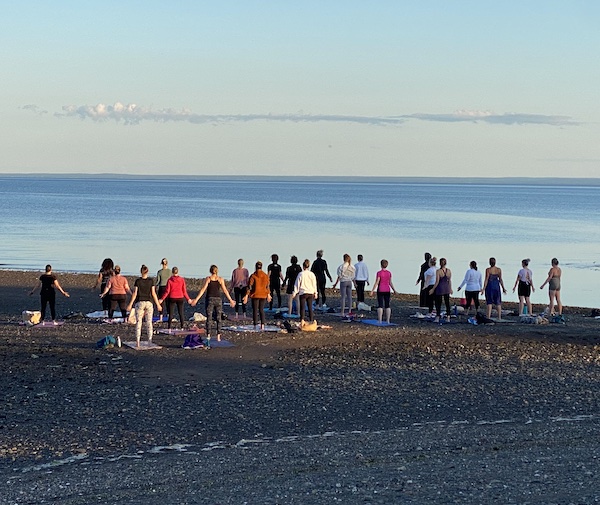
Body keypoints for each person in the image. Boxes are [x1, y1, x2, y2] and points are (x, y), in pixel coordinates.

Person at [192, 265, 235, 341]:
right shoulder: (220, 279)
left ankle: (208, 335)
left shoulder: (208, 279)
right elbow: (225, 290)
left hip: (210, 299)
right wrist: (230, 300)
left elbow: (203, 290)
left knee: (209, 318)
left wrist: (196, 299)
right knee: (218, 318)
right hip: (218, 300)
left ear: (210, 271)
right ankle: (218, 336)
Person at [127, 265, 162, 347]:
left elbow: (135, 294)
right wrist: (158, 304)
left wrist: (130, 304)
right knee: (149, 322)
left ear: (141, 272)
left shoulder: (138, 281)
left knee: (139, 322)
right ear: (147, 272)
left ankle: (138, 342)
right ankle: (149, 341)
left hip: (140, 302)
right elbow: (153, 293)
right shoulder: (151, 281)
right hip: (149, 302)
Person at [243, 261, 271, 330]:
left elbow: (249, 286)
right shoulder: (265, 276)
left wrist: (246, 295)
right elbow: (267, 286)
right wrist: (268, 294)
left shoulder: (253, 276)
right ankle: (262, 325)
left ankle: (255, 324)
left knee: (255, 310)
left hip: (255, 295)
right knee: (261, 309)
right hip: (263, 294)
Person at [370, 259, 396, 324]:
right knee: (387, 305)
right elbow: (390, 282)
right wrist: (394, 290)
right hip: (387, 290)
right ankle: (388, 320)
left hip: (381, 290)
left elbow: (377, 282)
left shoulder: (379, 273)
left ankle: (380, 320)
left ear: (381, 265)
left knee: (380, 305)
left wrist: (372, 290)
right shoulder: (389, 273)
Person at [292, 259, 318, 324]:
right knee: (310, 307)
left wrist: (295, 292)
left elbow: (297, 283)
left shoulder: (301, 274)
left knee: (302, 307)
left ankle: (302, 320)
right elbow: (314, 284)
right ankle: (311, 320)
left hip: (303, 292)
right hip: (310, 292)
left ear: (303, 266)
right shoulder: (312, 274)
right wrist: (315, 292)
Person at [429, 257, 453, 323]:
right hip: (446, 287)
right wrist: (450, 288)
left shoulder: (438, 271)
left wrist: (433, 289)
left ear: (440, 263)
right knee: (447, 302)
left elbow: (437, 281)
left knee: (438, 303)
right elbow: (449, 281)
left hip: (440, 288)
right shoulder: (449, 271)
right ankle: (448, 316)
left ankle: (438, 316)